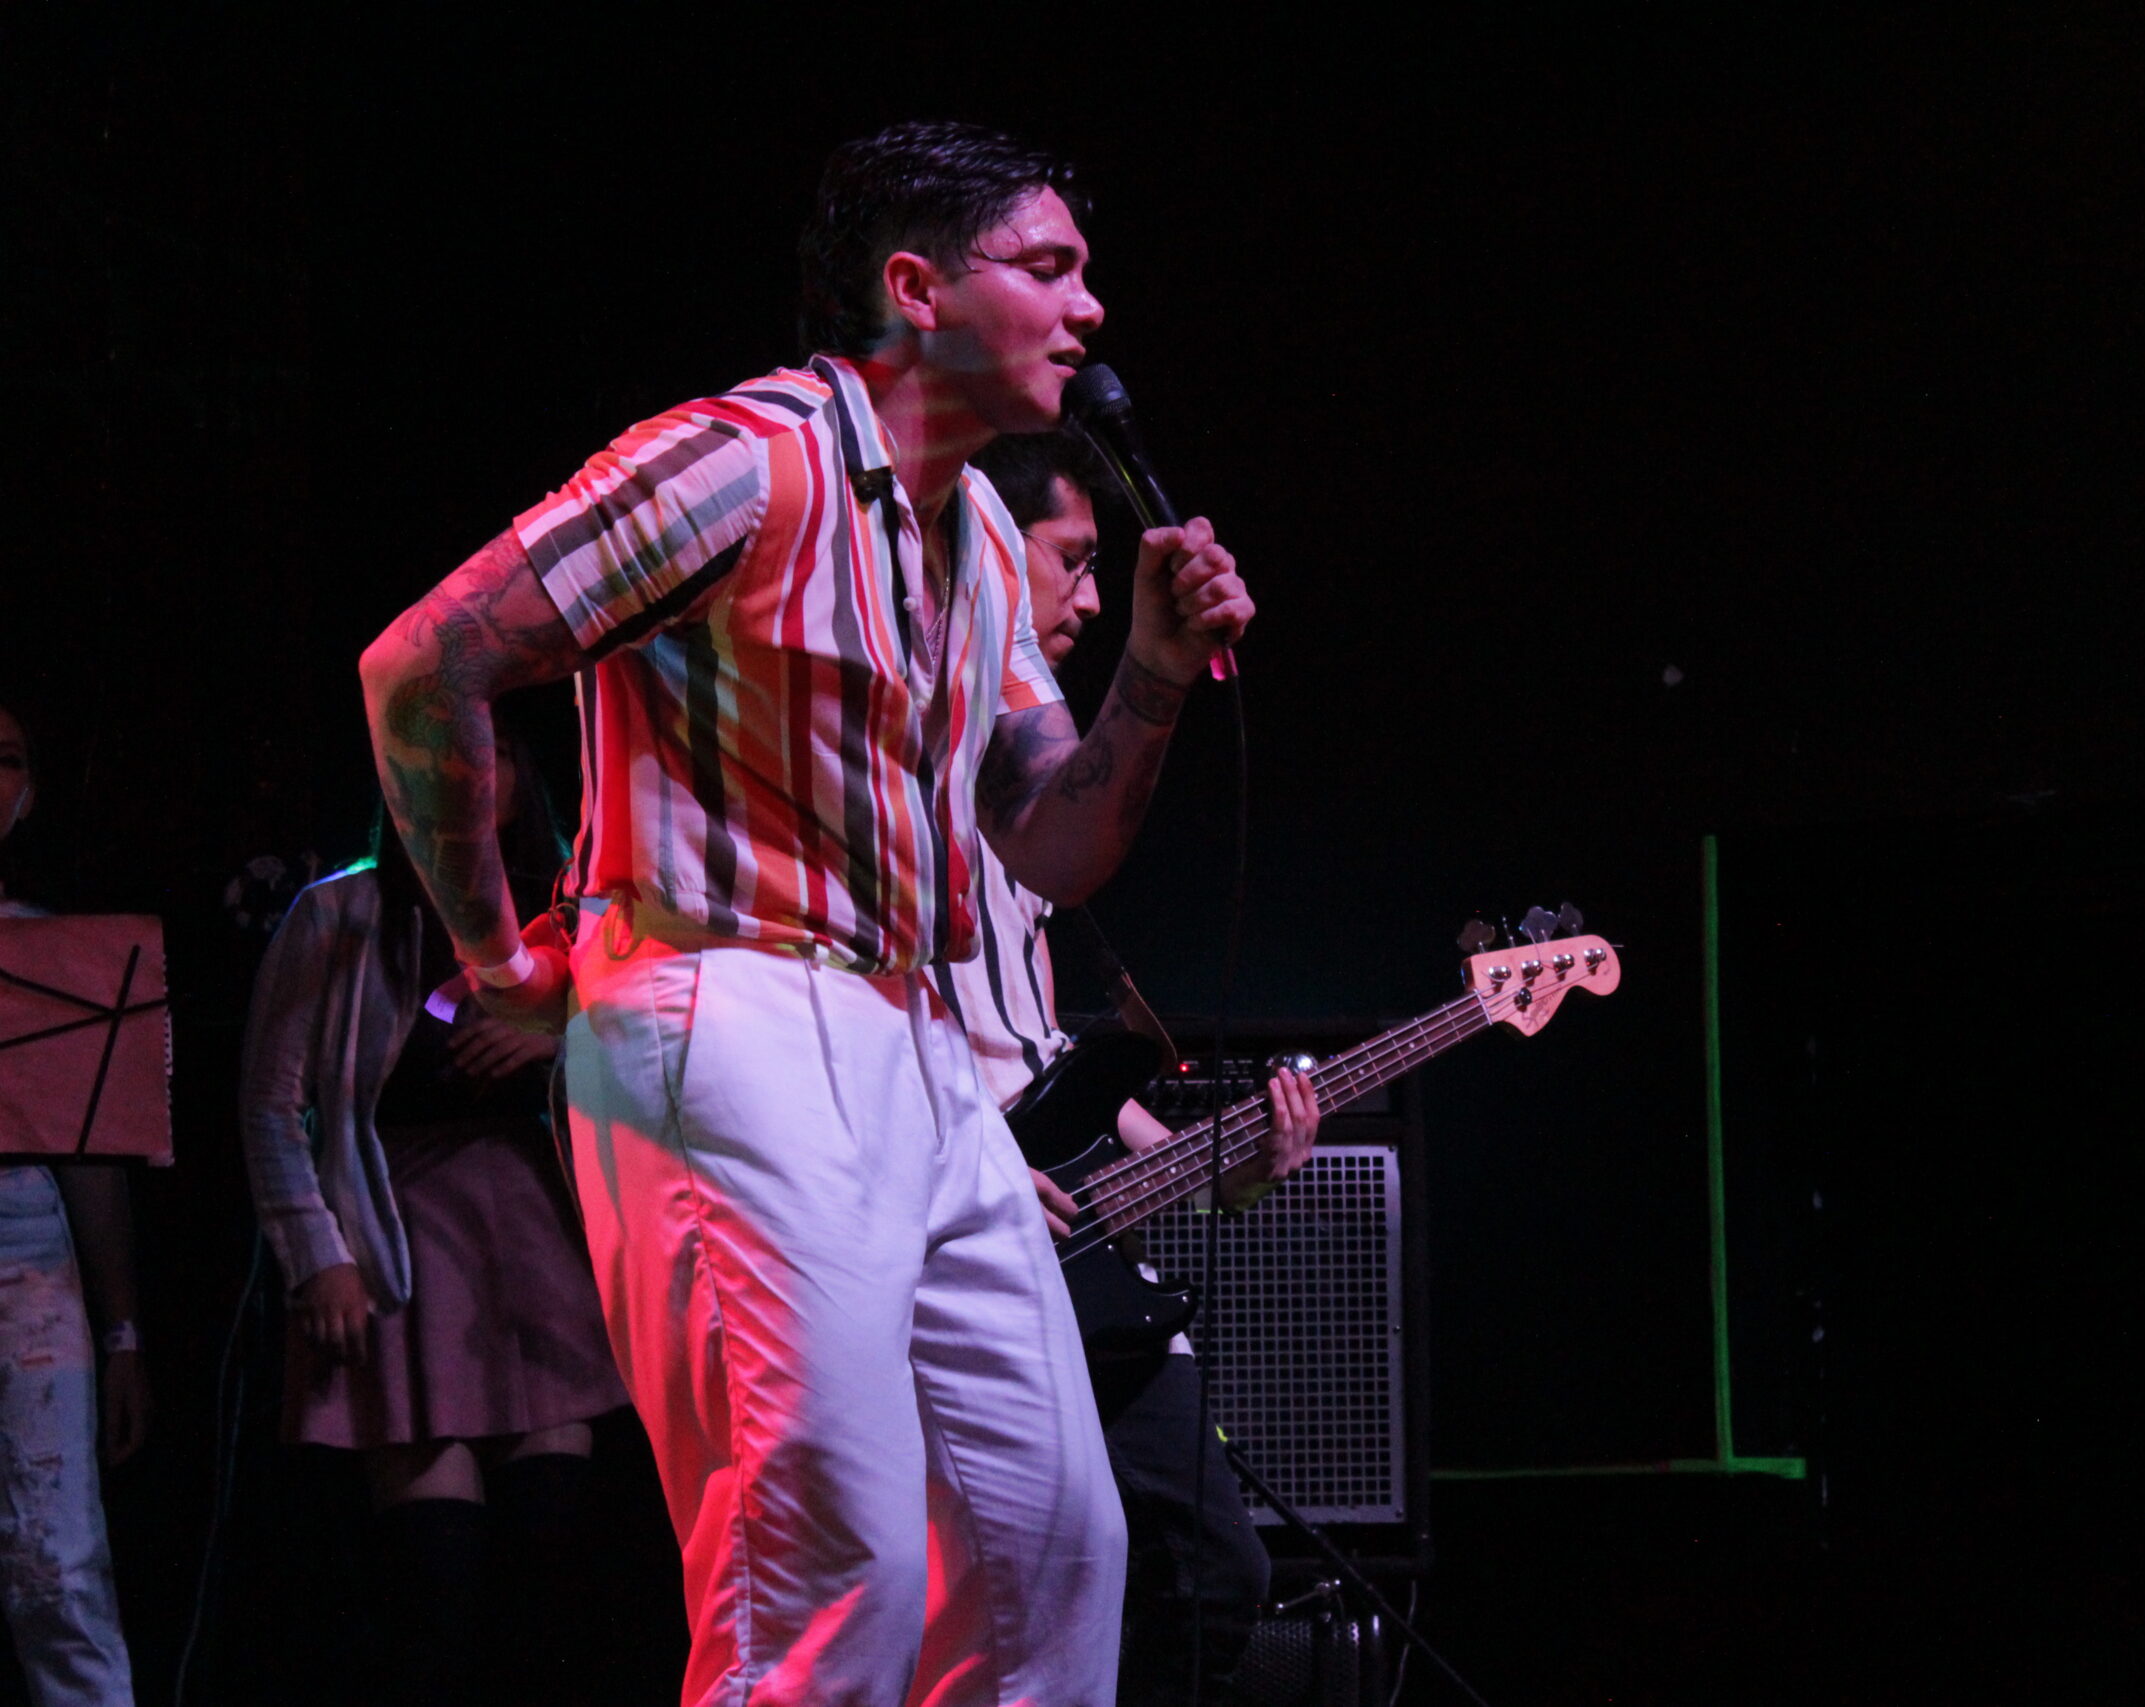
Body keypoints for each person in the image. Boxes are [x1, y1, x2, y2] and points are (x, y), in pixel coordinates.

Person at [357, 121, 1256, 1706]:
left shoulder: (980, 534)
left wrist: (1157, 673)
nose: (1090, 306)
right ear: (917, 287)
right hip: (730, 1007)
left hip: (918, 1035)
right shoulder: (743, 457)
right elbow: (426, 662)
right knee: (830, 1573)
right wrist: (496, 957)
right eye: (1049, 267)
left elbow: (1051, 843)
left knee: (1052, 1543)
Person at [957, 433, 1318, 1705]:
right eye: (1070, 560)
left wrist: (1214, 1168)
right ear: (986, 549)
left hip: (1064, 1237)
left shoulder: (1035, 817)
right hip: (949, 1223)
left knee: (1210, 1572)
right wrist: (964, 1160)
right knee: (1008, 1588)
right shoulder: (913, 769)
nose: (1092, 597)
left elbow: (1046, 1060)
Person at [238, 722, 626, 1707]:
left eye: (494, 755)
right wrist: (318, 1255)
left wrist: (560, 1041)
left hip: (537, 1241)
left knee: (548, 1574)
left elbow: (658, 1067)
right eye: (447, 757)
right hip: (400, 1236)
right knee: (433, 1591)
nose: (472, 776)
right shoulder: (343, 912)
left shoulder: (568, 920)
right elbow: (272, 1101)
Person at [0, 701, 149, 1707]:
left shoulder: (56, 955)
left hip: (24, 1246)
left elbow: (92, 1156)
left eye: (8, 760)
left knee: (55, 1564)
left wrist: (123, 1328)